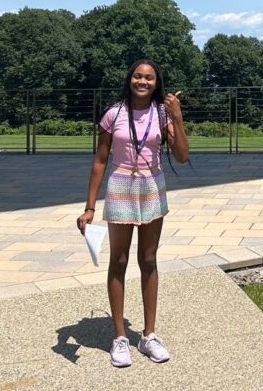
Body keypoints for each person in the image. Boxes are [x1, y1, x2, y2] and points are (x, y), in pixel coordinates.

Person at [77, 59, 189, 368]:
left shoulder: (162, 113)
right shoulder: (114, 114)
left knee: (149, 259)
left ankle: (148, 335)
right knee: (119, 259)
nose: (143, 81)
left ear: (156, 83)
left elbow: (182, 156)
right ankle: (120, 337)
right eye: (138, 76)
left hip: (152, 185)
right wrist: (89, 207)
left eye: (149, 77)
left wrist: (177, 118)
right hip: (120, 184)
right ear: (130, 79)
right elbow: (100, 161)